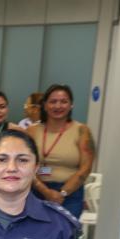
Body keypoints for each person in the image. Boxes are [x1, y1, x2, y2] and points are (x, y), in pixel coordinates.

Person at [28, 84, 95, 219]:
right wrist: (45, 191)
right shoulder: (32, 131)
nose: (58, 106)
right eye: (53, 102)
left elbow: (85, 168)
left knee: (64, 234)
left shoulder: (82, 130)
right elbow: (25, 164)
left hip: (70, 193)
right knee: (34, 234)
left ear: (71, 105)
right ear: (45, 105)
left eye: (64, 101)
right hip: (36, 188)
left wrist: (62, 193)